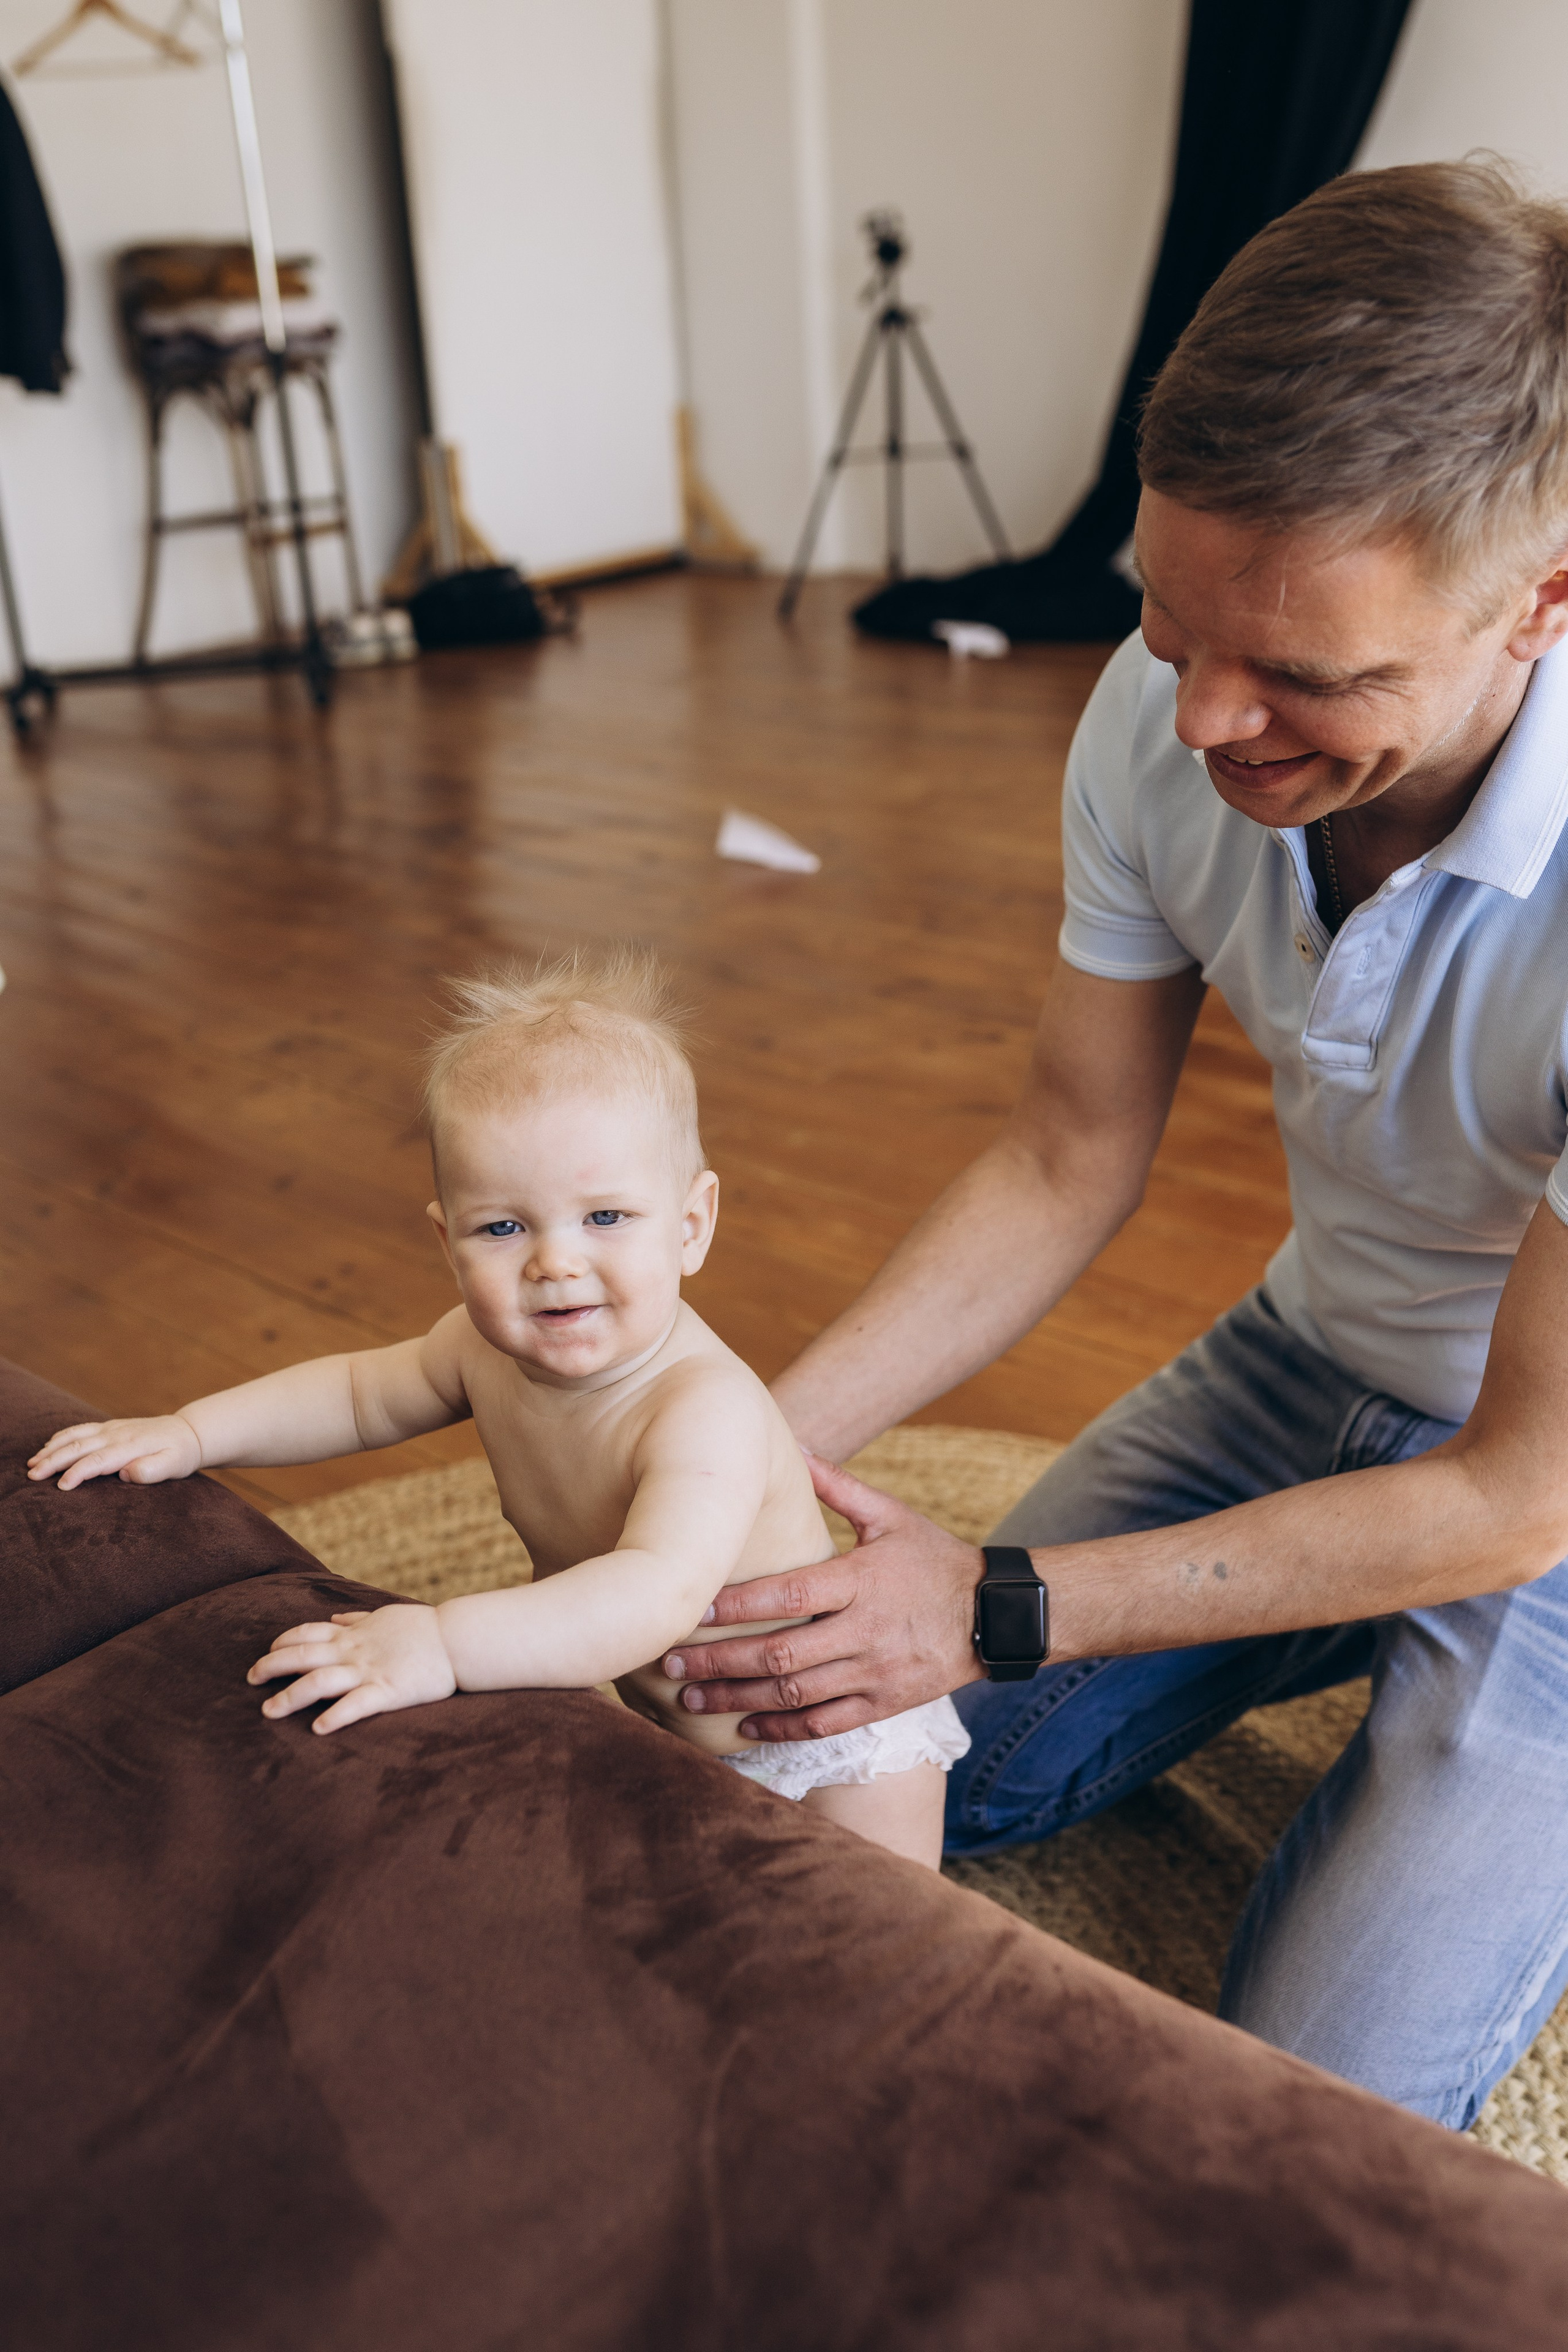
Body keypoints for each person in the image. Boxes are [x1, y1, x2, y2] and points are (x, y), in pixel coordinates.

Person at [659, 160, 1568, 2128]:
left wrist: (996, 1599)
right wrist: (733, 1464)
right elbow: (1066, 1153)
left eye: (1308, 676)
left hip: (1550, 1494)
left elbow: (1513, 1496)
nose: (1215, 721)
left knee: (1307, 2113)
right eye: (1171, 628)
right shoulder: (1157, 723)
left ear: (1542, 602)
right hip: (1305, 1359)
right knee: (800, 1735)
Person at [26, 951, 968, 1868]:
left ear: (691, 1226)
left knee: (871, 1956)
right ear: (448, 1239)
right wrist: (192, 1432)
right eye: (504, 1227)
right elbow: (354, 1395)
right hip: (687, 1737)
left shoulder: (700, 1406)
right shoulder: (477, 1349)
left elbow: (653, 1594)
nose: (554, 1263)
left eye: (605, 1218)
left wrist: (444, 1642)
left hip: (831, 1749)